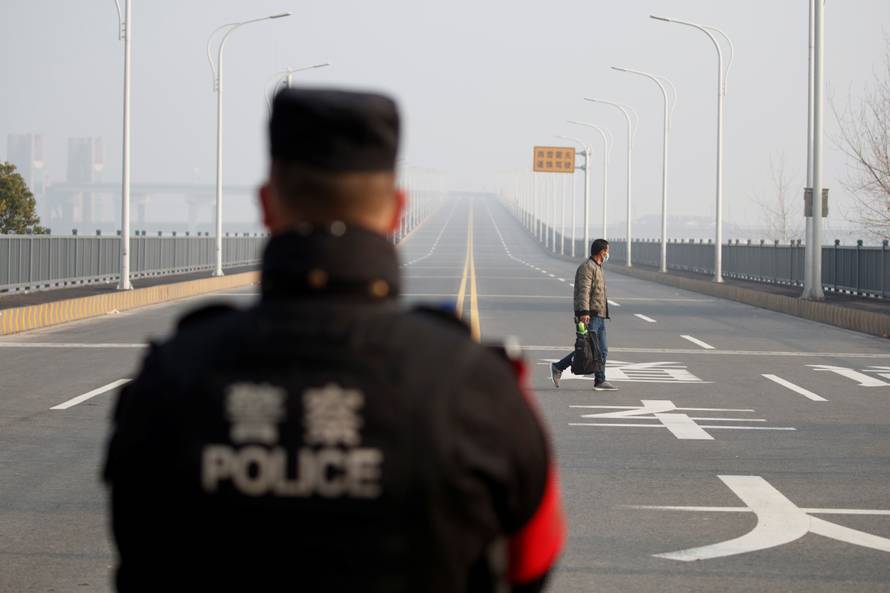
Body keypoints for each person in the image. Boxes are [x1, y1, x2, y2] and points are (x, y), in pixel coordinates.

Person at [103, 88, 565, 593]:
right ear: (397, 211)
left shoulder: (171, 380)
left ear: (266, 204)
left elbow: (136, 548)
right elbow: (531, 565)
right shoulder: (478, 389)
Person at [550, 238, 616, 391]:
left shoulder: (598, 267)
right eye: (607, 250)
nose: (608, 253)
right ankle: (558, 367)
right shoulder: (587, 268)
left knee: (601, 350)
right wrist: (584, 312)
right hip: (590, 315)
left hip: (599, 315)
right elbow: (583, 291)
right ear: (602, 251)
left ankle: (600, 379)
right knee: (589, 349)